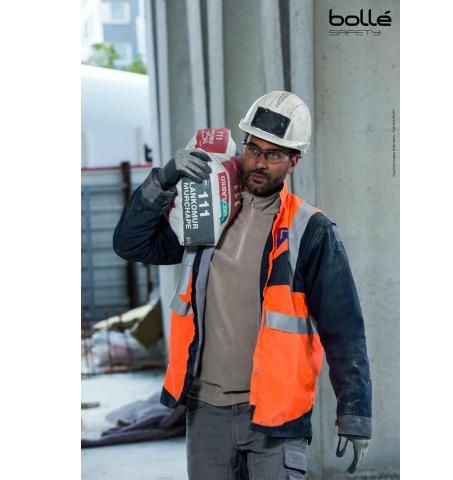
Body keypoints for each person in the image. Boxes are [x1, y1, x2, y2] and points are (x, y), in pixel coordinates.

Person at [113, 91, 372, 479]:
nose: (259, 163)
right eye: (253, 149)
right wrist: (163, 180)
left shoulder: (309, 230)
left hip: (275, 417)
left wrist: (355, 415)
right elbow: (130, 243)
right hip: (207, 412)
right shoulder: (206, 213)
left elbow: (344, 328)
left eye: (274, 154)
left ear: (294, 161)